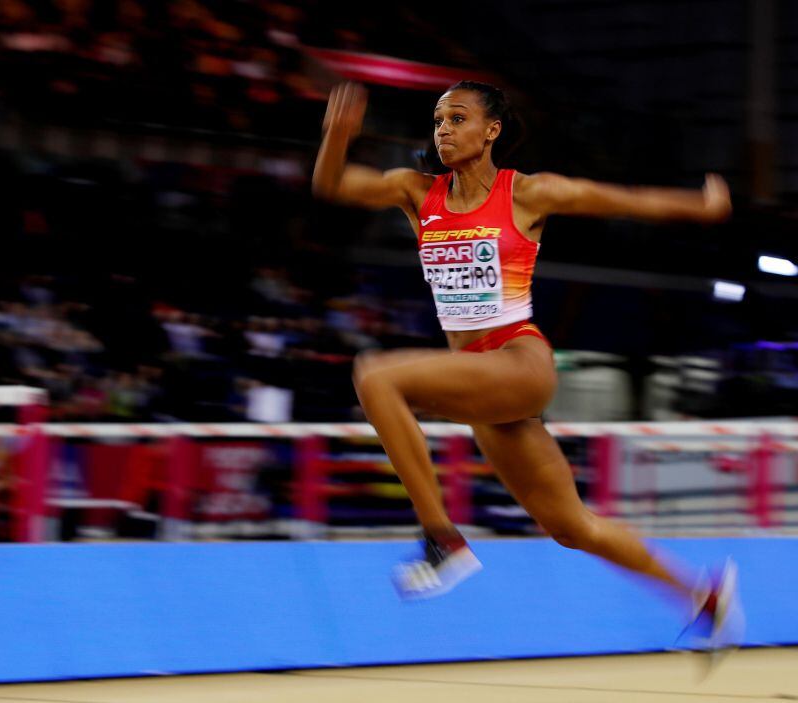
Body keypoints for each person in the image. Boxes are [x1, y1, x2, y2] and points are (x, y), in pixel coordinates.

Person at [312, 81, 737, 642]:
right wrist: (336, 137)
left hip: (518, 360)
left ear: (491, 131)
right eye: (438, 120)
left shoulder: (525, 195)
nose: (443, 129)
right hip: (482, 387)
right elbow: (334, 184)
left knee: (376, 377)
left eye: (458, 118)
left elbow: (620, 199)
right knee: (570, 526)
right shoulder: (417, 193)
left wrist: (701, 206)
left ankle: (441, 538)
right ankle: (702, 595)